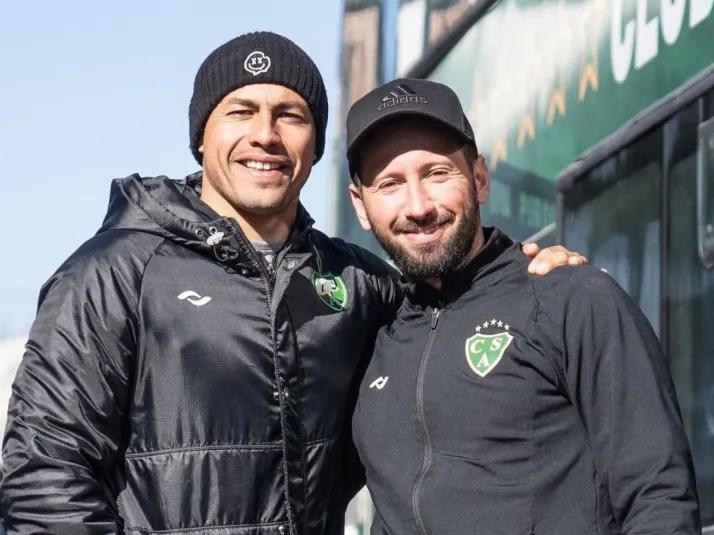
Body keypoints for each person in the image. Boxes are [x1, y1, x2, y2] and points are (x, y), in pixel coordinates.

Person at [0, 33, 584, 535]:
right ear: (201, 137)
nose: (266, 135)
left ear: (314, 147)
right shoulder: (112, 271)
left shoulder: (361, 283)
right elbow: (44, 473)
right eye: (240, 111)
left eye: (290, 115)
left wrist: (523, 273)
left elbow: (449, 314)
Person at [345, 78, 702, 534]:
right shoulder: (376, 339)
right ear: (361, 205)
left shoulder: (572, 298)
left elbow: (659, 498)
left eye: (437, 173)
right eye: (390, 183)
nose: (417, 206)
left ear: (479, 178)